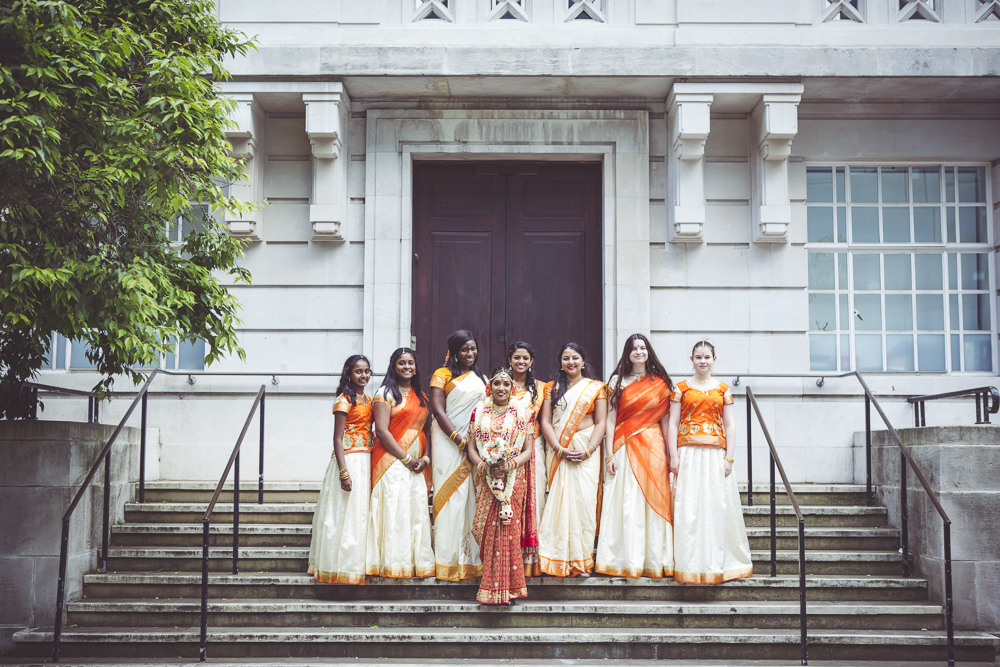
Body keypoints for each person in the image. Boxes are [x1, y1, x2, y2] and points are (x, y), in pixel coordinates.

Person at [667, 340, 753, 584]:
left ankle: (718, 561)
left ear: (714, 359)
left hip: (715, 454)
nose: (702, 361)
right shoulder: (681, 388)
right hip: (688, 454)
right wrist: (673, 455)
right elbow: (673, 423)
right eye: (698, 357)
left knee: (716, 505)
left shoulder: (723, 389)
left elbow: (730, 425)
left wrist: (729, 457)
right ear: (691, 359)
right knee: (689, 505)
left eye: (707, 356)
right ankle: (688, 563)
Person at [595, 334, 675, 579]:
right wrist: (609, 454)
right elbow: (610, 418)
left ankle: (653, 559)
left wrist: (671, 456)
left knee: (652, 499)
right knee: (625, 500)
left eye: (642, 347)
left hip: (653, 447)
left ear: (648, 351)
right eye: (634, 348)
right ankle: (623, 559)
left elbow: (665, 422)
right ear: (627, 353)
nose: (638, 351)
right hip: (623, 445)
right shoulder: (617, 381)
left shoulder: (661, 383)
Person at [536, 342, 607, 577]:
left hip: (587, 453)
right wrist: (558, 448)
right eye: (566, 358)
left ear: (583, 361)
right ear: (561, 362)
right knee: (557, 503)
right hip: (559, 451)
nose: (571, 362)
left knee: (584, 504)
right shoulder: (551, 388)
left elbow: (601, 422)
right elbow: (545, 421)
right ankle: (554, 559)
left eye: (575, 357)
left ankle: (581, 561)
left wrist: (589, 449)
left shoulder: (596, 388)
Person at [467, 367, 535, 604]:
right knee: (486, 530)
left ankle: (510, 589)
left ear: (512, 388)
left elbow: (528, 450)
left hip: (513, 479)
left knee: (508, 530)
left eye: (506, 384)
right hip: (486, 478)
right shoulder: (479, 412)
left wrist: (511, 464)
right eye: (497, 383)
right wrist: (483, 466)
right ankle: (490, 589)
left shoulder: (523, 413)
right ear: (490, 387)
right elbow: (472, 448)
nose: (502, 388)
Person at [366, 347, 435, 579]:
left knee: (415, 511)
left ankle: (413, 562)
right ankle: (392, 563)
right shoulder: (385, 394)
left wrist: (425, 459)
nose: (407, 367)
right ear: (393, 366)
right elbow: (383, 432)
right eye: (402, 363)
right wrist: (406, 459)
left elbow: (429, 432)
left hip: (417, 466)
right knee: (394, 509)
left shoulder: (422, 397)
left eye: (411, 363)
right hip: (391, 462)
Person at [308, 355, 374, 584]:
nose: (363, 375)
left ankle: (358, 562)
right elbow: (337, 439)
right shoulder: (344, 400)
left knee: (360, 512)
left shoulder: (367, 398)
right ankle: (340, 565)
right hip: (350, 460)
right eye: (358, 371)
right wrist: (343, 472)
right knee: (346, 512)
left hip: (367, 457)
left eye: (367, 371)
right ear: (349, 374)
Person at [428, 330, 487, 581]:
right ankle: (447, 560)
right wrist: (458, 440)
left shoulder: (481, 377)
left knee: (471, 497)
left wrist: (473, 443)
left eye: (473, 348)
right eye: (465, 350)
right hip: (447, 440)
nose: (470, 354)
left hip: (472, 443)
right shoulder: (442, 375)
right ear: (453, 351)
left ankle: (471, 560)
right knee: (450, 496)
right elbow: (439, 411)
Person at [507, 341, 545, 576]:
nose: (521, 362)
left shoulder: (542, 389)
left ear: (532, 361)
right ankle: (510, 557)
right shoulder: (501, 385)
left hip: (533, 449)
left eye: (525, 358)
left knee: (535, 500)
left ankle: (532, 562)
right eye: (516, 357)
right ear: (510, 360)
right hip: (507, 452)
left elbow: (546, 419)